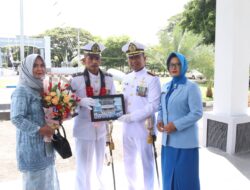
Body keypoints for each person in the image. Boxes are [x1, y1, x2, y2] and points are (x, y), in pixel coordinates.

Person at [11, 54, 60, 190]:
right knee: (35, 184)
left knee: (48, 181)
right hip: (31, 149)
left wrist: (56, 119)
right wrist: (39, 129)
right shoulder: (22, 90)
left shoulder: (42, 89)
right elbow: (16, 118)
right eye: (35, 66)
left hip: (46, 147)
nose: (40, 69)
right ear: (27, 69)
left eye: (42, 65)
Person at [71, 42, 115, 190]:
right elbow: (65, 99)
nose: (94, 61)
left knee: (99, 165)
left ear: (100, 60)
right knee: (83, 166)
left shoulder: (108, 78)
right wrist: (80, 101)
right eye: (91, 58)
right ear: (84, 59)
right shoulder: (76, 79)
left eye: (97, 58)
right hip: (84, 129)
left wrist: (112, 111)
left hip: (101, 129)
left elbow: (114, 99)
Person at [118, 42, 161, 190]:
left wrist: (132, 117)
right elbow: (123, 100)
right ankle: (131, 187)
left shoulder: (152, 79)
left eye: (137, 57)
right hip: (127, 128)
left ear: (145, 58)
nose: (134, 61)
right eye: (131, 58)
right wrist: (114, 109)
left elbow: (154, 105)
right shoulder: (126, 78)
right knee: (128, 160)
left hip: (144, 128)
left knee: (146, 162)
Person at [157, 52, 203, 190]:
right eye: (171, 65)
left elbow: (197, 112)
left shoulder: (191, 87)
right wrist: (159, 119)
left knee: (185, 179)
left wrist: (176, 125)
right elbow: (162, 107)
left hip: (185, 143)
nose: (174, 67)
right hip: (168, 142)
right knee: (168, 175)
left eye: (178, 64)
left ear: (184, 66)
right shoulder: (165, 86)